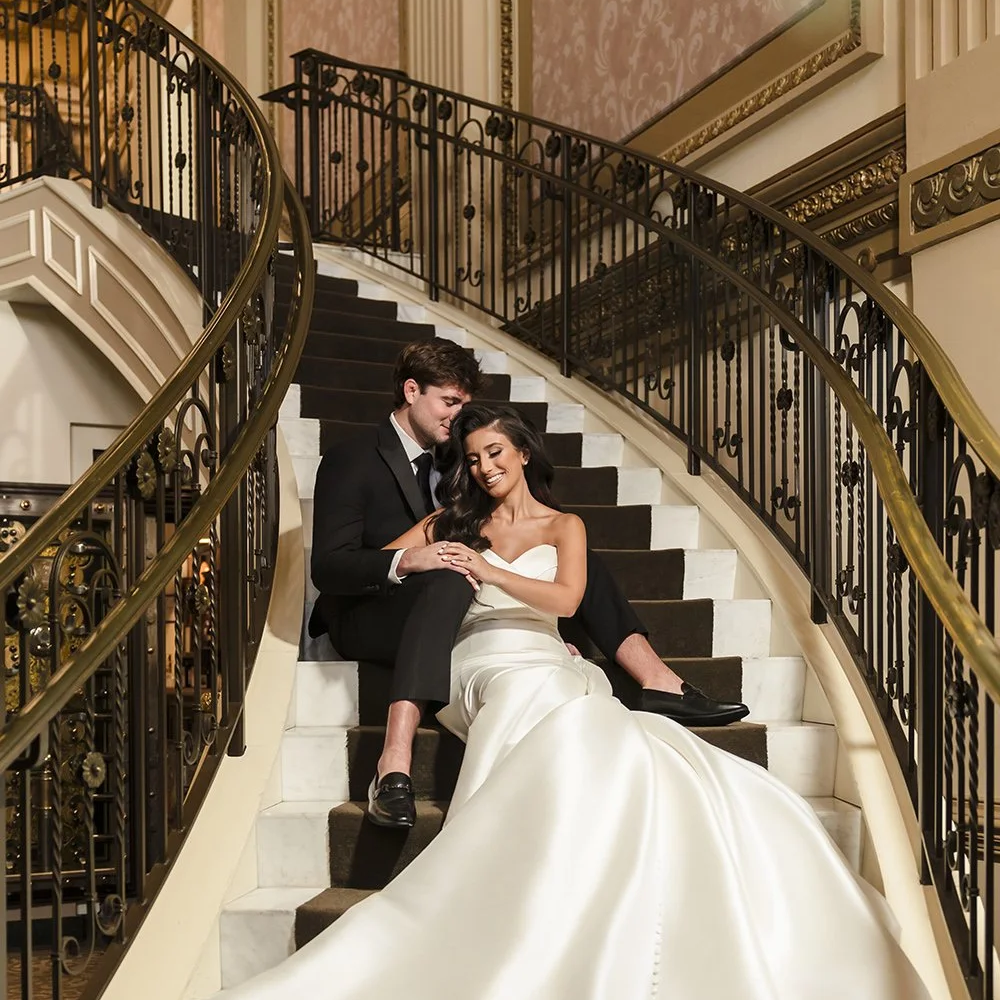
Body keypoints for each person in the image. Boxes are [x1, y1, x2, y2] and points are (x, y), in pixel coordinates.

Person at [164, 403, 972, 1000]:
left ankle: (612, 792)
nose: (487, 467)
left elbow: (559, 601)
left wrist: (492, 567)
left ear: (522, 455)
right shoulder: (451, 522)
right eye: (473, 458)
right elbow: (391, 559)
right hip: (484, 670)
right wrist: (434, 554)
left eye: (497, 453)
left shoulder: (564, 527)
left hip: (549, 658)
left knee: (603, 732)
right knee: (533, 703)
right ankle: (522, 772)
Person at [307, 338, 748, 829]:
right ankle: (393, 760)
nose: (461, 423)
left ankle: (656, 679)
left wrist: (544, 629)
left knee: (567, 548)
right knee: (456, 576)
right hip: (375, 605)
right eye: (449, 403)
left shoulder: (460, 457)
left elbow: (514, 544)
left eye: (467, 409)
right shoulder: (353, 459)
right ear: (412, 391)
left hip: (456, 598)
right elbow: (330, 568)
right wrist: (412, 558)